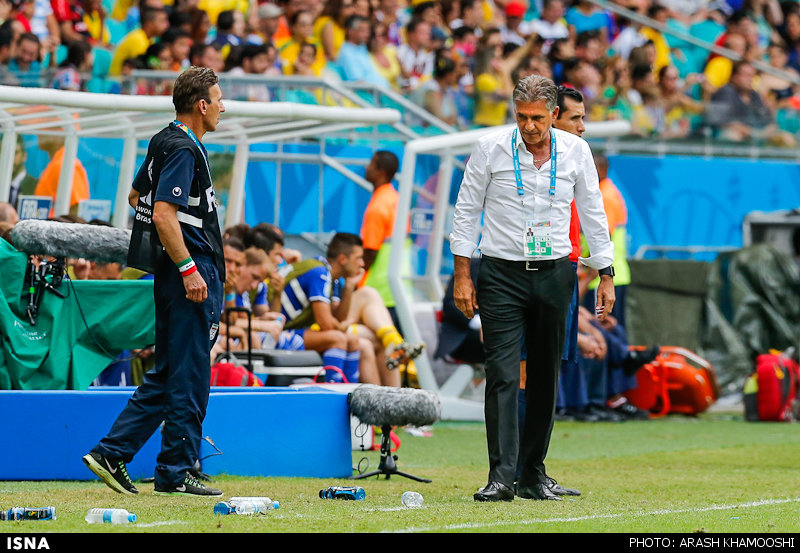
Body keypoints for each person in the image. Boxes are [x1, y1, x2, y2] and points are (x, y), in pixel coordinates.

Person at [451, 75, 615, 502]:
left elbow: (593, 213)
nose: (529, 126)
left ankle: (533, 473)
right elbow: (466, 210)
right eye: (521, 117)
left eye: (537, 118)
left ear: (554, 114)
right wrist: (463, 273)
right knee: (502, 374)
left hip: (556, 272)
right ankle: (500, 477)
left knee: (546, 374)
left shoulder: (577, 151)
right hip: (501, 274)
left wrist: (606, 272)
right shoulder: (490, 148)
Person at [82, 66, 227, 497]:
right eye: (218, 100)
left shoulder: (164, 139)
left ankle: (130, 457)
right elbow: (162, 211)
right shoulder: (184, 148)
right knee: (188, 376)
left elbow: (136, 196)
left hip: (174, 275)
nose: (223, 107)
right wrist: (187, 266)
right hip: (189, 275)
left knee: (169, 373)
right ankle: (173, 468)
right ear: (201, 105)